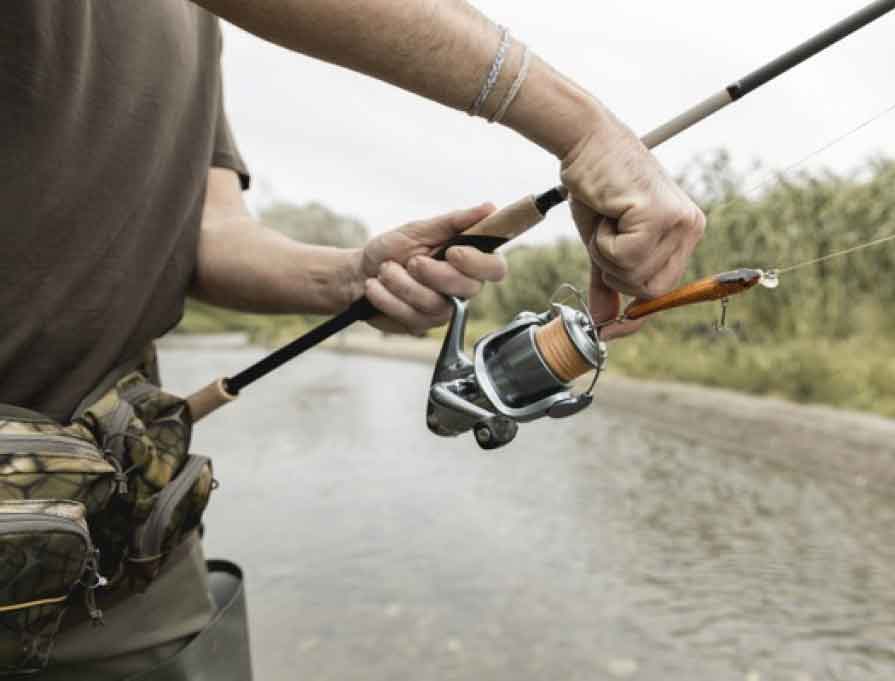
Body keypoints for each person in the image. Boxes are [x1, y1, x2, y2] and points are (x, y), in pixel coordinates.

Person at [1, 0, 705, 677]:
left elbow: (209, 234)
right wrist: (584, 129)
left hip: (121, 533)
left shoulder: (199, 25)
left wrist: (348, 280)